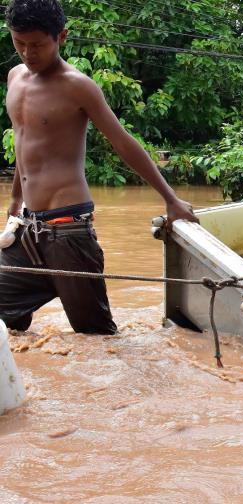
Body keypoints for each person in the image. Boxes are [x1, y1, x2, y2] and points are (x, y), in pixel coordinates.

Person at [0, 0, 199, 334]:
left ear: (61, 37)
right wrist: (14, 205)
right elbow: (24, 147)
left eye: (37, 45)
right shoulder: (15, 77)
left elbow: (123, 143)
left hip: (68, 232)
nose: (27, 53)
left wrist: (170, 198)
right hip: (28, 231)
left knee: (96, 339)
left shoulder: (77, 86)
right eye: (19, 43)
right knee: (8, 321)